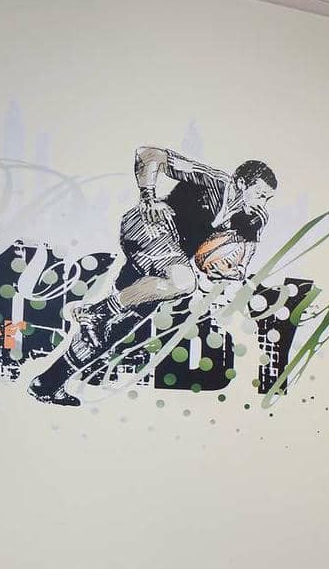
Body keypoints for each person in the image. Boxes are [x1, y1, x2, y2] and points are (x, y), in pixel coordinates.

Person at [28, 147, 276, 405]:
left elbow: (241, 256)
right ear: (239, 183)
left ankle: (47, 383)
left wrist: (236, 264)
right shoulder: (214, 181)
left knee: (115, 328)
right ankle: (98, 310)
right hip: (148, 228)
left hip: (167, 259)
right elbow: (149, 154)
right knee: (182, 282)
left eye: (267, 199)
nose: (262, 203)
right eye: (259, 194)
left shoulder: (251, 217)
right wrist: (148, 197)